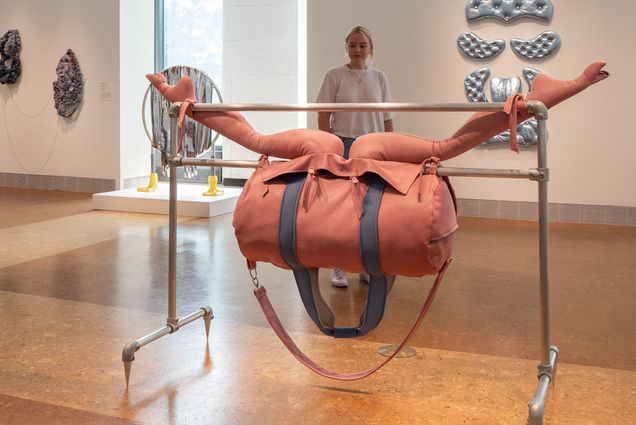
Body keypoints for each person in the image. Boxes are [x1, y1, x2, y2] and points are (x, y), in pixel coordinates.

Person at [316, 25, 394, 287]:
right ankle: (339, 266)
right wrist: (330, 146)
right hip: (343, 144)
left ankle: (364, 265)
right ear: (346, 48)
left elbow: (387, 117)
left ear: (371, 48)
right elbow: (323, 114)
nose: (357, 50)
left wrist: (389, 148)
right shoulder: (334, 75)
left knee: (370, 209)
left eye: (362, 45)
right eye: (352, 45)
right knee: (343, 209)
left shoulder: (380, 78)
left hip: (372, 146)